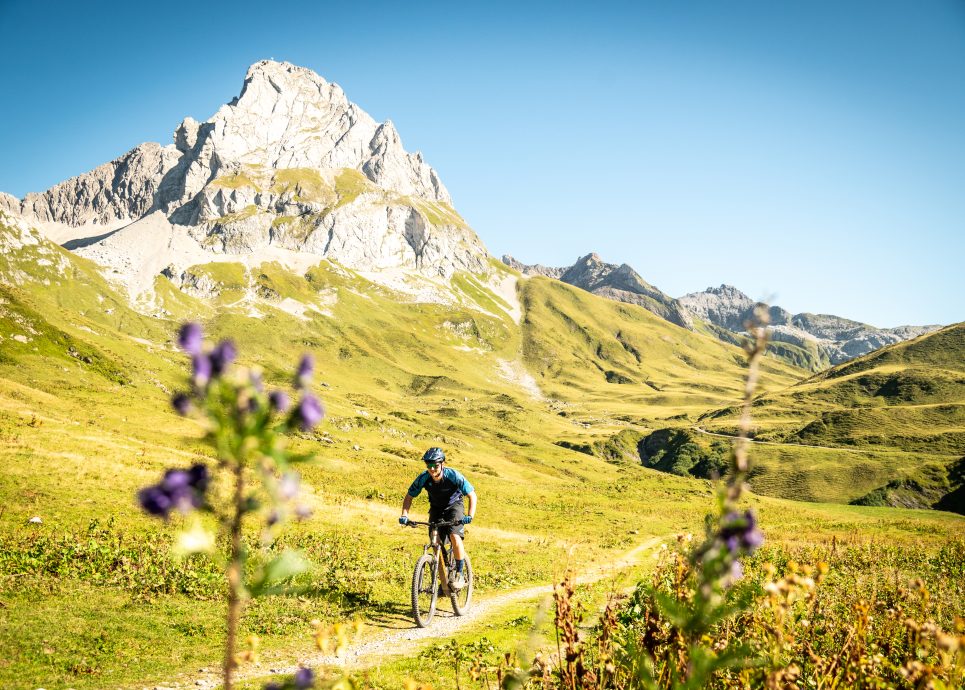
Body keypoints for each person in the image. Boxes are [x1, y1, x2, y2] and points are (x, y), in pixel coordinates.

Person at [399, 447, 477, 590]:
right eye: (429, 466)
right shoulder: (424, 478)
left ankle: (459, 573)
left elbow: (472, 495)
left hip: (455, 506)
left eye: (435, 465)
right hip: (436, 508)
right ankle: (442, 583)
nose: (432, 469)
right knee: (435, 543)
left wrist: (469, 515)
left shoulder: (453, 475)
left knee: (454, 535)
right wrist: (405, 514)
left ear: (442, 464)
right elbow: (409, 496)